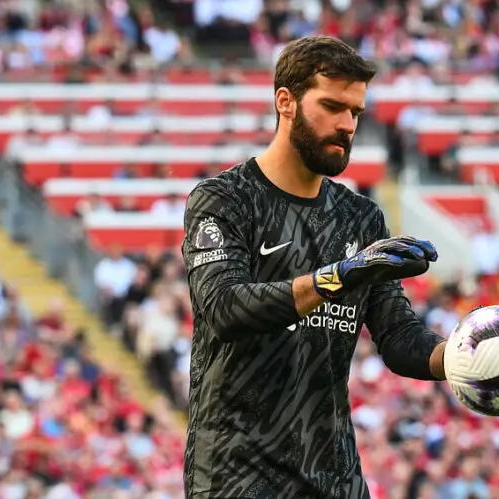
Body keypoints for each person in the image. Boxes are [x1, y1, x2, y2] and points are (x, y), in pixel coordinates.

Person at [181, 35, 447, 498]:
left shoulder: (361, 218)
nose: (347, 125)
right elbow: (224, 309)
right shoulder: (225, 199)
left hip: (336, 481)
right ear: (285, 102)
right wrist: (338, 276)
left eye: (356, 113)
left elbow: (400, 339)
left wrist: (466, 355)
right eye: (332, 106)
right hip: (237, 478)